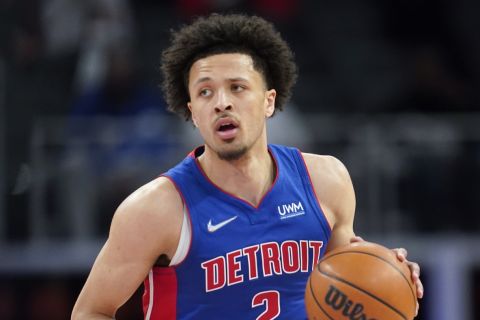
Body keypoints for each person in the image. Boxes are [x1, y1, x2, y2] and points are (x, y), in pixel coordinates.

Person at [71, 13, 423, 319]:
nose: (221, 103)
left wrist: (387, 275)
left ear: (269, 101)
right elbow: (90, 310)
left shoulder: (326, 180)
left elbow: (346, 280)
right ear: (192, 112)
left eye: (237, 87)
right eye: (205, 92)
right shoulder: (155, 208)